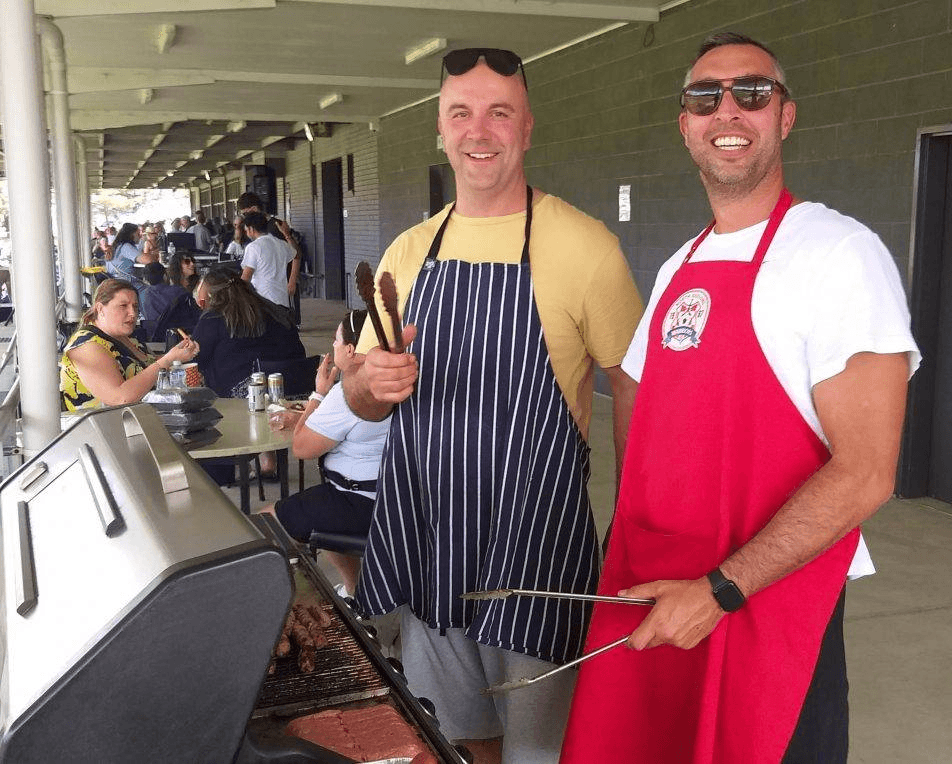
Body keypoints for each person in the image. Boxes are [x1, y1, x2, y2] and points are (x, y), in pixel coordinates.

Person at [560, 33, 920, 764]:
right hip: (661, 593)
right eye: (705, 97)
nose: (727, 110)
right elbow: (644, 418)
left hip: (766, 600)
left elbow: (866, 473)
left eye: (751, 92)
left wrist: (722, 589)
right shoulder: (677, 266)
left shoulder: (838, 253)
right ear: (685, 125)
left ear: (785, 115)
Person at [343, 48, 642, 764]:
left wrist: (634, 531)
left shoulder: (586, 247)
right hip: (432, 547)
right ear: (441, 131)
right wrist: (369, 385)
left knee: (540, 750)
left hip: (537, 552)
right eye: (461, 113)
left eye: (499, 113)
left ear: (527, 128)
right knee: (455, 742)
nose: (479, 131)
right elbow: (361, 399)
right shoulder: (407, 253)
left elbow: (637, 392)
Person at [270, 310, 390, 597]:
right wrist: (308, 415)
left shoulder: (349, 392)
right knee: (319, 501)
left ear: (350, 349)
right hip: (392, 495)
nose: (332, 345)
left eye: (336, 340)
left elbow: (301, 448)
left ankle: (293, 604)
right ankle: (354, 590)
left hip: (359, 501)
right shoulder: (391, 378)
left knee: (266, 522)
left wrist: (319, 394)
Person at [60, 279, 199, 411]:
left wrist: (178, 355)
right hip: (109, 425)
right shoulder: (87, 346)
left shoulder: (123, 337)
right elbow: (120, 398)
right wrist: (168, 360)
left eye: (135, 307)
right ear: (100, 309)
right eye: (123, 306)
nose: (133, 313)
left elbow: (147, 364)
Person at [190, 266, 305, 399]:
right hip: (294, 389)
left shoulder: (213, 319)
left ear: (212, 296)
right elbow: (299, 353)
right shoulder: (277, 312)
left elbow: (194, 360)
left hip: (242, 399)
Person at [240, 211, 299, 307]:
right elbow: (297, 255)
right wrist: (292, 281)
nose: (246, 233)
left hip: (263, 302)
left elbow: (246, 277)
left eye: (246, 230)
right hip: (282, 301)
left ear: (251, 229)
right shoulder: (281, 244)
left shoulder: (253, 247)